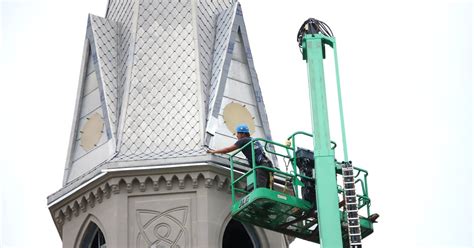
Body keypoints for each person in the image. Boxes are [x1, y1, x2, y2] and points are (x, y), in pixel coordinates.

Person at [207, 124, 273, 189]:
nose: (236, 135)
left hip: (261, 166)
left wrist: (213, 151)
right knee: (267, 189)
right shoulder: (253, 140)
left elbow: (227, 150)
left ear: (243, 134)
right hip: (267, 165)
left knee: (260, 189)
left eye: (238, 133)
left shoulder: (243, 140)